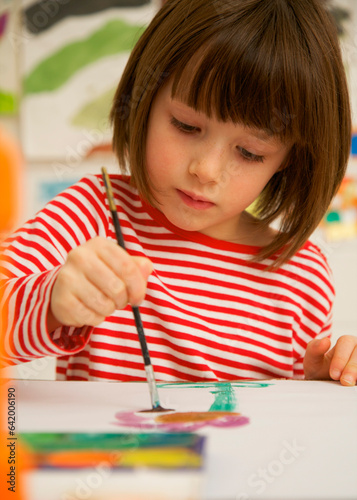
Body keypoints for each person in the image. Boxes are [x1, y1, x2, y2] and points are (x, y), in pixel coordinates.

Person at [1, 0, 357, 385]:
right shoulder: (92, 214)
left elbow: (291, 425)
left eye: (250, 152)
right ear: (144, 98)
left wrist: (322, 383)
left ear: (290, 157)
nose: (205, 170)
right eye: (186, 126)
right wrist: (52, 301)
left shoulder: (302, 276)